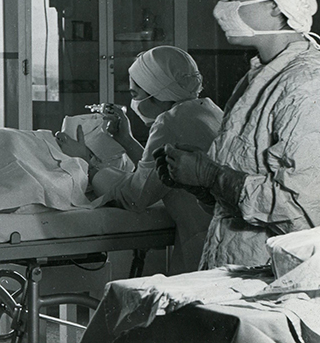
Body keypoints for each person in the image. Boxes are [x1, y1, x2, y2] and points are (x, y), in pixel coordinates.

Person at [155, 0, 320, 269]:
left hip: (276, 278)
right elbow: (235, 207)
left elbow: (303, 211)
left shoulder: (308, 84)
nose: (219, 9)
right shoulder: (258, 77)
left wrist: (210, 175)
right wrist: (195, 181)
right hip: (232, 268)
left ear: (275, 5)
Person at [56, 46, 222, 273]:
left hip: (205, 243)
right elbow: (157, 171)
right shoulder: (208, 111)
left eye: (135, 94)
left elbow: (136, 196)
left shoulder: (170, 121)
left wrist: (87, 162)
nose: (133, 102)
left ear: (157, 91)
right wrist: (126, 139)